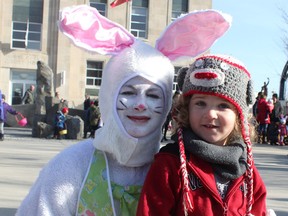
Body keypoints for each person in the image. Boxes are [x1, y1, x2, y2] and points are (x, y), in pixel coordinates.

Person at [16, 6, 231, 215]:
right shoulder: (71, 166)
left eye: (153, 95)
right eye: (128, 92)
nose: (140, 104)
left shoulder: (175, 169)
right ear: (109, 96)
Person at [137, 55, 268, 215]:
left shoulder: (247, 169)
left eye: (223, 105)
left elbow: (258, 209)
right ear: (186, 109)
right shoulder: (170, 163)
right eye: (200, 103)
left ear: (238, 117)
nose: (211, 113)